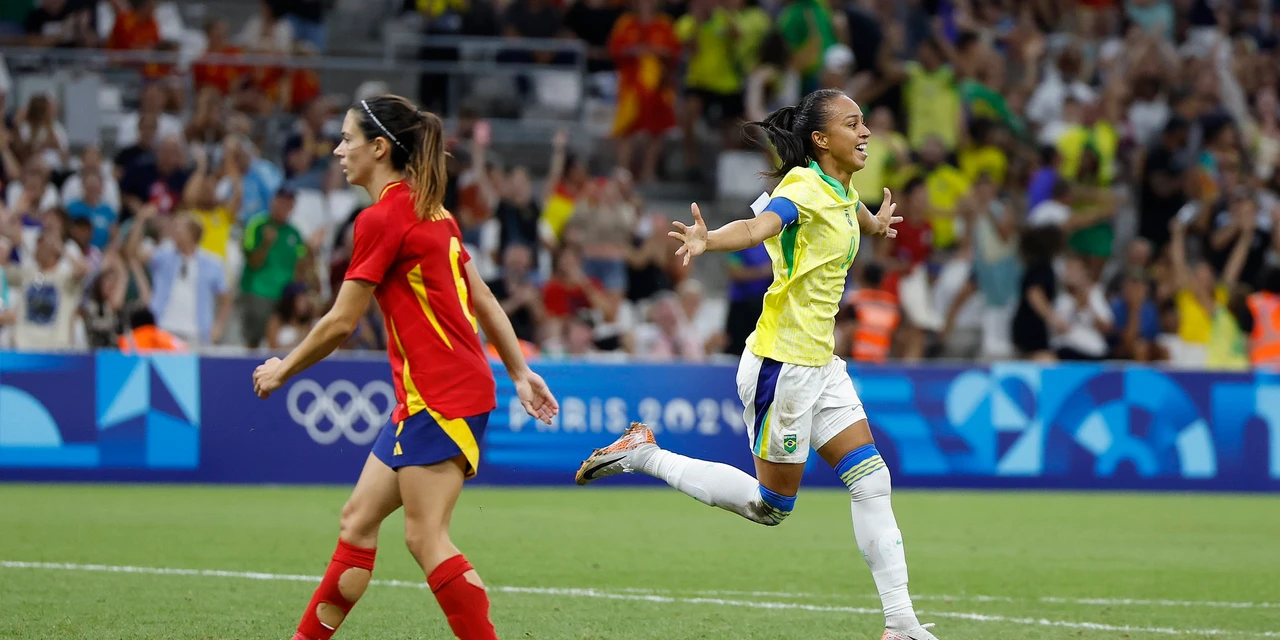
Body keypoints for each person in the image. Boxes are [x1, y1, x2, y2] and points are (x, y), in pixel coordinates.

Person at [573, 89, 940, 640]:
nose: (866, 132)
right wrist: (708, 239)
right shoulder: (800, 187)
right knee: (771, 507)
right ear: (821, 140)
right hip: (783, 367)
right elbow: (758, 227)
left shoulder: (841, 187)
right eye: (853, 124)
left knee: (872, 481)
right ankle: (643, 454)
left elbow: (848, 211)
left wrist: (874, 224)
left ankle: (901, 625)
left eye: (865, 122)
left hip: (821, 364)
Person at [251, 94, 559, 640]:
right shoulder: (430, 207)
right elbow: (481, 294)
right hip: (431, 398)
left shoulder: (383, 218)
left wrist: (283, 369)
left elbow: (342, 322)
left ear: (377, 147)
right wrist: (517, 371)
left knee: (425, 538)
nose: (338, 149)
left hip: (442, 398)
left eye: (347, 139)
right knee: (357, 523)